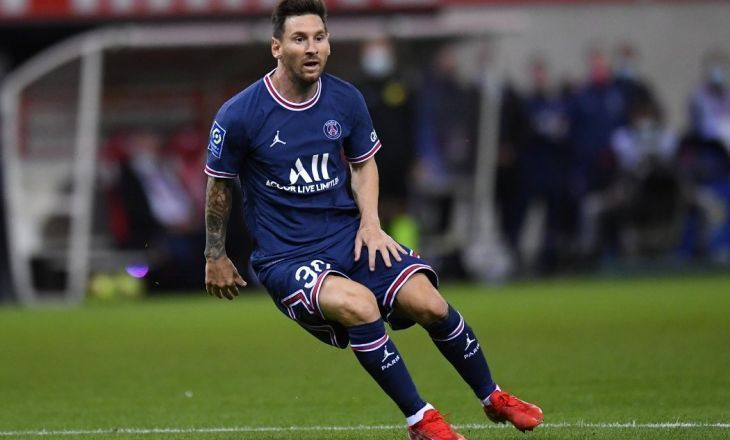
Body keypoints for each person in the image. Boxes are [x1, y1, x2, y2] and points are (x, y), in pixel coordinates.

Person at [202, 1, 544, 438]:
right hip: (288, 256)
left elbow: (363, 164)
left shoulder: (345, 99)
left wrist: (370, 223)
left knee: (428, 302)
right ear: (277, 47)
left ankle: (492, 397)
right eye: (299, 39)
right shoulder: (240, 114)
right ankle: (421, 420)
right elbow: (219, 184)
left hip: (349, 236)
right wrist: (215, 254)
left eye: (319, 38)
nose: (312, 48)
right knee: (361, 306)